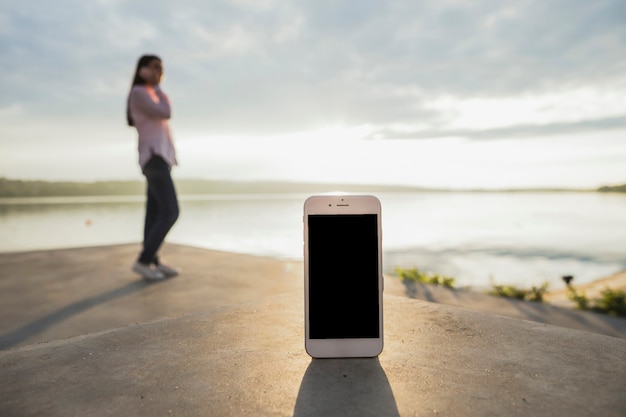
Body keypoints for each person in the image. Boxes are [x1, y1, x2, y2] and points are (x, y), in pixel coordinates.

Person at [127, 54, 180, 281]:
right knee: (170, 211)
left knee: (155, 213)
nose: (159, 71)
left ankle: (152, 260)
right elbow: (166, 112)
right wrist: (157, 86)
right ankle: (143, 260)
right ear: (142, 70)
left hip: (159, 159)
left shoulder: (147, 94)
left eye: (161, 68)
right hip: (154, 158)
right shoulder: (140, 93)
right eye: (154, 67)